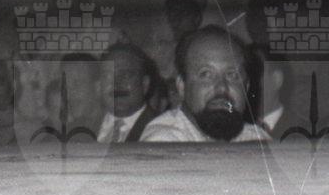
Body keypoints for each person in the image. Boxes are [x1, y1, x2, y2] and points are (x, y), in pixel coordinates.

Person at [141, 27, 269, 141]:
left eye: (233, 75)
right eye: (206, 74)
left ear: (246, 87)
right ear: (182, 86)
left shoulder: (256, 139)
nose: (222, 87)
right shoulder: (164, 142)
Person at [95, 42, 160, 144]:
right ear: (99, 86)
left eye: (126, 75)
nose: (117, 83)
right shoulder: (83, 127)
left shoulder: (161, 129)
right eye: (108, 75)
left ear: (144, 84)